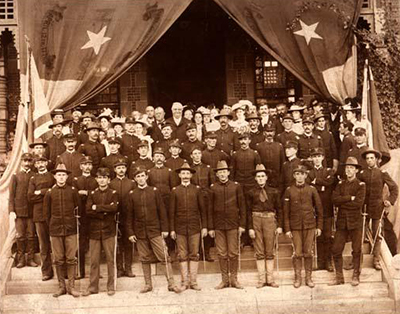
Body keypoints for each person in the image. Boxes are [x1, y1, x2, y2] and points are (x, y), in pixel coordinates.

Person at [126, 167, 181, 293]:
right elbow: (129, 216)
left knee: (164, 256)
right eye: (137, 176)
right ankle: (148, 284)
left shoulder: (154, 191)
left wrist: (164, 228)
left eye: (142, 175)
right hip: (140, 232)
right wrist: (130, 232)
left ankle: (171, 284)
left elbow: (162, 211)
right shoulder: (132, 194)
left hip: (155, 230)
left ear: (146, 177)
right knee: (144, 258)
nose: (140, 178)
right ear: (135, 179)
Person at [43, 164, 80, 298]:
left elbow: (78, 209)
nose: (61, 177)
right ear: (54, 176)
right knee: (58, 259)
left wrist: (73, 224)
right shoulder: (49, 193)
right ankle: (61, 287)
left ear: (67, 176)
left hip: (71, 229)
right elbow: (46, 214)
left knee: (71, 258)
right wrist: (53, 225)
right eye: (59, 174)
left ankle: (71, 287)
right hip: (55, 230)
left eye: (63, 174)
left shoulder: (73, 191)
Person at [208, 160, 246, 289]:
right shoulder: (213, 188)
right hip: (219, 226)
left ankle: (234, 279)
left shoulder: (236, 186)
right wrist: (211, 227)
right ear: (217, 175)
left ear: (228, 172)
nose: (222, 174)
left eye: (224, 171)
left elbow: (242, 207)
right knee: (222, 253)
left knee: (233, 252)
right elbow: (210, 209)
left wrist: (242, 225)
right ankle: (224, 280)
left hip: (233, 224)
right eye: (220, 172)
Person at [283, 165, 323, 288]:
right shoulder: (289, 190)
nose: (300, 176)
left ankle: (309, 278)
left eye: (302, 174)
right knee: (298, 252)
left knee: (308, 252)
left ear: (306, 175)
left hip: (310, 225)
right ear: (294, 176)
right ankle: (298, 277)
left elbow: (319, 209)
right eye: (297, 174)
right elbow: (286, 212)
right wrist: (287, 229)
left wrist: (319, 227)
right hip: (295, 227)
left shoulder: (312, 190)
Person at [169, 162, 207, 291]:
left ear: (191, 175)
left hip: (195, 227)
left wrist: (204, 227)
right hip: (180, 228)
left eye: (187, 173)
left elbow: (203, 210)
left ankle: (194, 281)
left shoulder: (197, 190)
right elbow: (171, 212)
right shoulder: (175, 191)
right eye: (183, 173)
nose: (185, 176)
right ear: (179, 175)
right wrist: (172, 229)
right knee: (182, 254)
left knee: (194, 253)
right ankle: (185, 282)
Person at [359, 149, 399, 270]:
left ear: (376, 160)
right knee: (359, 234)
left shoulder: (382, 173)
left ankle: (376, 260)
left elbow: (394, 188)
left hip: (377, 208)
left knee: (378, 234)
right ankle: (358, 260)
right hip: (363, 208)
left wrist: (389, 201)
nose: (370, 160)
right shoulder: (361, 174)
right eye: (367, 158)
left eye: (372, 158)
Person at [83, 168, 119, 297]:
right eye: (100, 177)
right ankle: (93, 287)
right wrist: (104, 212)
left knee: (110, 260)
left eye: (105, 177)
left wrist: (97, 208)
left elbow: (114, 208)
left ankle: (110, 287)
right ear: (96, 179)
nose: (102, 180)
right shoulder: (92, 194)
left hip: (109, 231)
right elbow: (88, 211)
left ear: (109, 180)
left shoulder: (113, 193)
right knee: (94, 261)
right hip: (94, 231)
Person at [331, 157, 366, 286]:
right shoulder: (341, 184)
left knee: (356, 250)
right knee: (336, 249)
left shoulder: (361, 185)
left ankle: (356, 275)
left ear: (356, 170)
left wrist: (343, 201)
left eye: (351, 168)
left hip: (355, 222)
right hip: (342, 223)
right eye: (347, 168)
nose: (349, 170)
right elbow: (334, 200)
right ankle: (339, 278)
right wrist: (349, 198)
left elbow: (358, 204)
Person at [247, 164, 282, 288]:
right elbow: (247, 211)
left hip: (269, 220)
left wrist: (279, 225)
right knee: (259, 250)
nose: (261, 178)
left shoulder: (273, 191)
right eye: (258, 176)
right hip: (256, 220)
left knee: (270, 250)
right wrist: (250, 227)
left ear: (266, 177)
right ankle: (262, 280)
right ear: (255, 178)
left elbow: (279, 209)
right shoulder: (251, 192)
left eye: (263, 176)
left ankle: (270, 279)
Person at [307, 148, 335, 272]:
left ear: (323, 158)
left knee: (327, 236)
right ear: (312, 159)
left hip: (327, 208)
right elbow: (309, 185)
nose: (317, 158)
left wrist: (317, 182)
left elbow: (330, 183)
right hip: (314, 209)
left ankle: (328, 261)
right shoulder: (309, 173)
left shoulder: (328, 171)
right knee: (317, 235)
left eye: (319, 156)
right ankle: (319, 262)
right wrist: (322, 186)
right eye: (314, 156)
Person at [28, 156, 55, 281]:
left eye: (42, 162)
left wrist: (41, 192)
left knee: (56, 243)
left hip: (53, 214)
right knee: (43, 245)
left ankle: (61, 271)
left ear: (46, 163)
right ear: (36, 164)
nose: (40, 164)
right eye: (38, 162)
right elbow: (30, 197)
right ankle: (46, 272)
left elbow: (54, 193)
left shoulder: (52, 176)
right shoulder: (33, 179)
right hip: (39, 215)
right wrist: (46, 193)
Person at [9, 153, 38, 268]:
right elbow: (11, 195)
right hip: (19, 212)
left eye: (29, 161)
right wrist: (12, 210)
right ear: (21, 161)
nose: (27, 163)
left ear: (31, 162)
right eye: (25, 161)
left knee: (31, 235)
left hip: (31, 212)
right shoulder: (15, 176)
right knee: (20, 236)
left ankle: (30, 259)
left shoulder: (34, 175)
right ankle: (21, 260)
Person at [109, 158, 136, 278]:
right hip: (115, 217)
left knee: (128, 243)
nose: (121, 170)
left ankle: (128, 268)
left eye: (123, 167)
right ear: (115, 170)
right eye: (118, 168)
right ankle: (119, 268)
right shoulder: (110, 184)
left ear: (126, 169)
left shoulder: (131, 183)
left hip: (129, 217)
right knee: (117, 244)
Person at [72, 156, 98, 279]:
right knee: (81, 244)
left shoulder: (95, 180)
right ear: (81, 166)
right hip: (81, 215)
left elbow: (97, 195)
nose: (87, 167)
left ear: (91, 166)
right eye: (85, 164)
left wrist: (86, 193)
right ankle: (80, 271)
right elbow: (73, 195)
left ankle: (95, 272)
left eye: (89, 164)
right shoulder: (76, 180)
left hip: (93, 216)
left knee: (95, 244)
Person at [190, 147, 215, 262]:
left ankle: (207, 251)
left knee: (208, 223)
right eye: (194, 154)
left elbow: (212, 185)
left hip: (206, 200)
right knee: (197, 224)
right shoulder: (189, 169)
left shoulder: (207, 168)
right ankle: (198, 250)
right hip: (193, 200)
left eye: (198, 153)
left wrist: (207, 195)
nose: (197, 156)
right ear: (191, 156)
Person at [255, 123, 285, 188]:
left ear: (274, 133)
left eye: (271, 131)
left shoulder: (279, 146)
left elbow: (282, 163)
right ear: (264, 133)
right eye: (267, 131)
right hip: (264, 179)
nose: (269, 134)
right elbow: (257, 163)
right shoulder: (259, 146)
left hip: (276, 178)